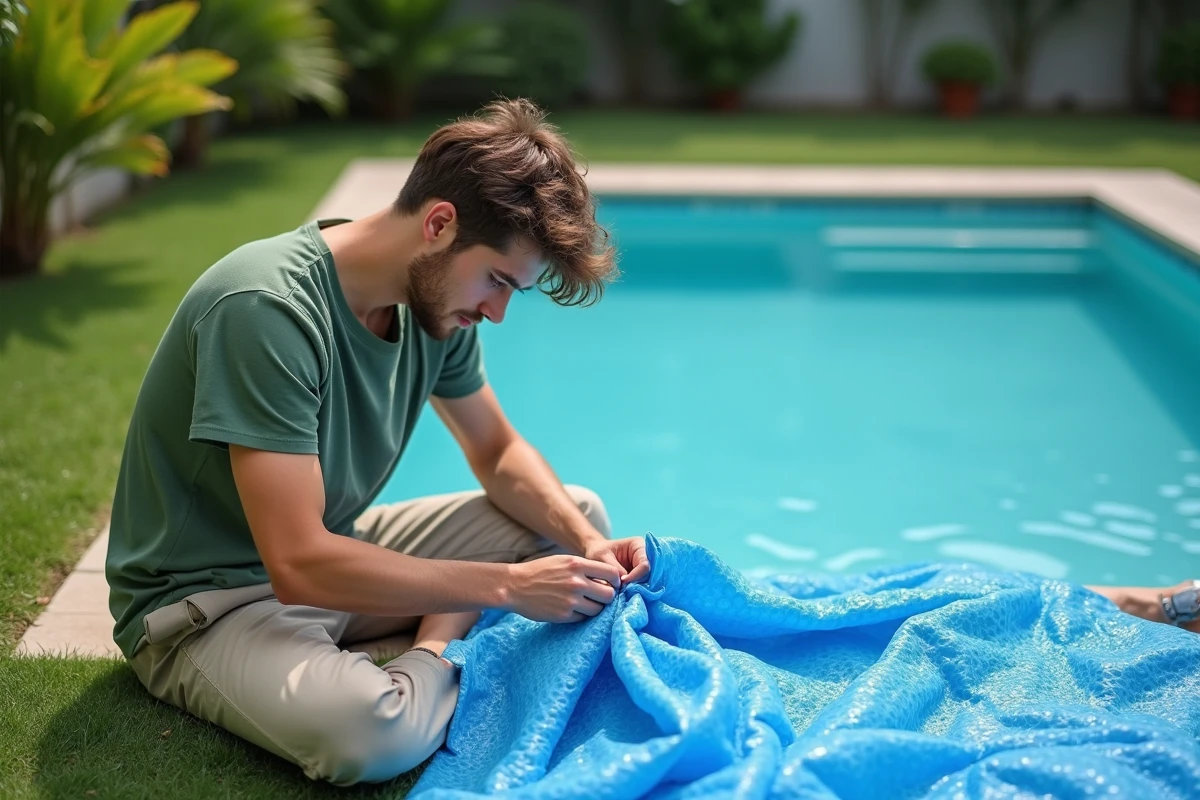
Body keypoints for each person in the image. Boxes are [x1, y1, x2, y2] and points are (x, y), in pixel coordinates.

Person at [105, 98, 650, 786]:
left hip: (339, 557)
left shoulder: (433, 309)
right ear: (439, 223)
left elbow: (498, 453)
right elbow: (297, 563)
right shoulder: (266, 308)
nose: (497, 312)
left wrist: (585, 543)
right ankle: (440, 640)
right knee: (371, 734)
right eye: (497, 280)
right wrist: (503, 587)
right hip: (211, 605)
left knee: (578, 521)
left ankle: (450, 625)